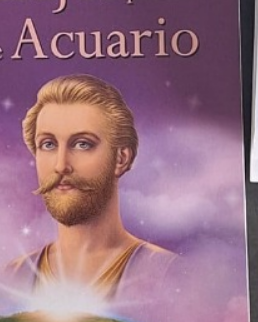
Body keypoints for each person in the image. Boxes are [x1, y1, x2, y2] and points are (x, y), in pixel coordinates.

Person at [10, 74, 176, 301]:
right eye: (48, 144)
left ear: (121, 159)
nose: (61, 165)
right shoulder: (12, 277)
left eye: (82, 144)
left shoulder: (168, 275)